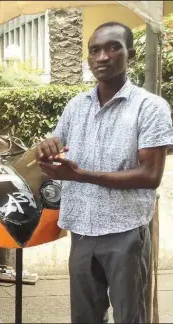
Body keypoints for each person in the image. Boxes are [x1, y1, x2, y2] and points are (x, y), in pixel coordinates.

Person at [35, 21, 173, 323]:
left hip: (125, 232)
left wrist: (81, 175)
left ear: (130, 56)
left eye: (113, 47)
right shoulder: (76, 106)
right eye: (95, 50)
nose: (102, 56)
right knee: (84, 317)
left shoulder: (150, 107)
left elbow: (149, 176)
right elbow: (57, 144)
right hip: (82, 230)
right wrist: (46, 147)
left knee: (129, 316)